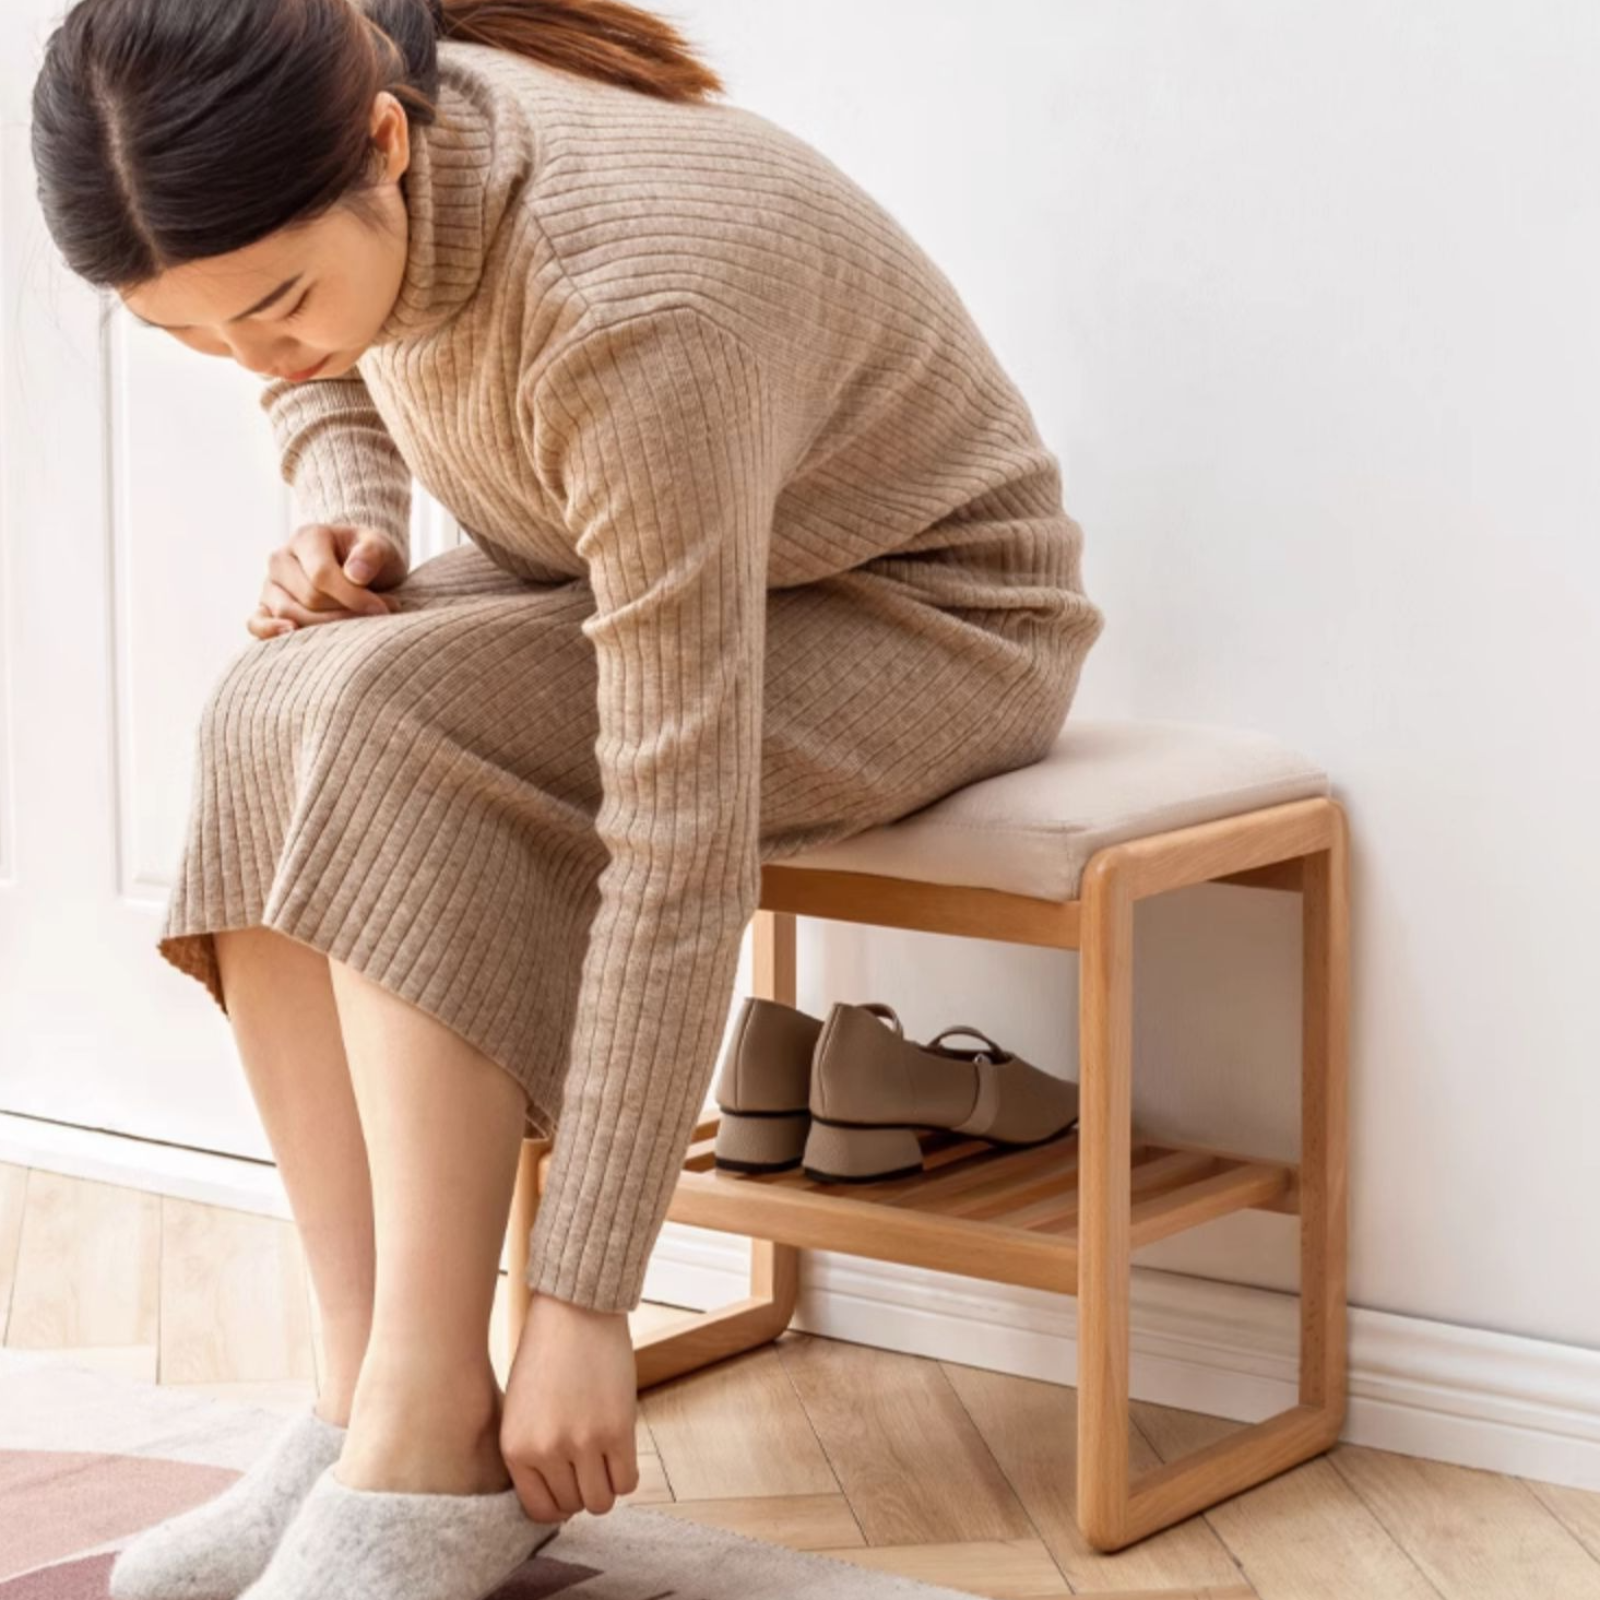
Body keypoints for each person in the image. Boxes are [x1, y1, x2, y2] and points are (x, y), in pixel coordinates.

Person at [31, 0, 1105, 1589]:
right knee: (274, 695)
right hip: (644, 569)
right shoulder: (359, 139)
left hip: (926, 621)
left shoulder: (633, 300)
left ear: (384, 149)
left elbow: (680, 838)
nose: (254, 352)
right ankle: (370, 1403)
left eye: (270, 304)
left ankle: (431, 1446)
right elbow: (320, 362)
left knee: (392, 720)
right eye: (194, 335)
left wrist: (588, 1299)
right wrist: (351, 520)